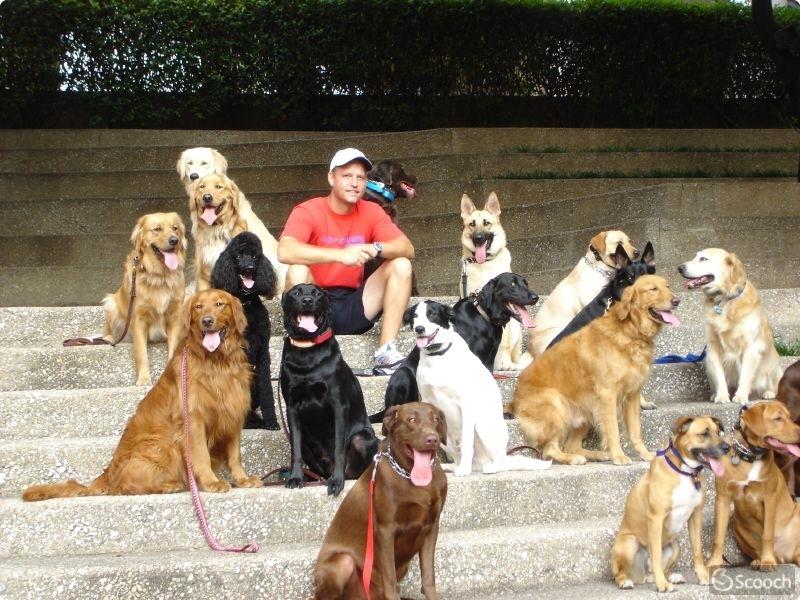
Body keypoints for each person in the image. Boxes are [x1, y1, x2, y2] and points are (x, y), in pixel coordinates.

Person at [278, 148, 415, 375]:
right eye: (347, 176)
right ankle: (302, 347)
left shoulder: (371, 211)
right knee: (297, 270)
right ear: (331, 178)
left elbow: (407, 248)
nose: (354, 183)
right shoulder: (309, 210)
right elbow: (285, 251)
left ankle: (386, 351)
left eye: (360, 178)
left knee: (401, 264)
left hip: (355, 304)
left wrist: (375, 247)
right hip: (316, 303)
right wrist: (339, 254)